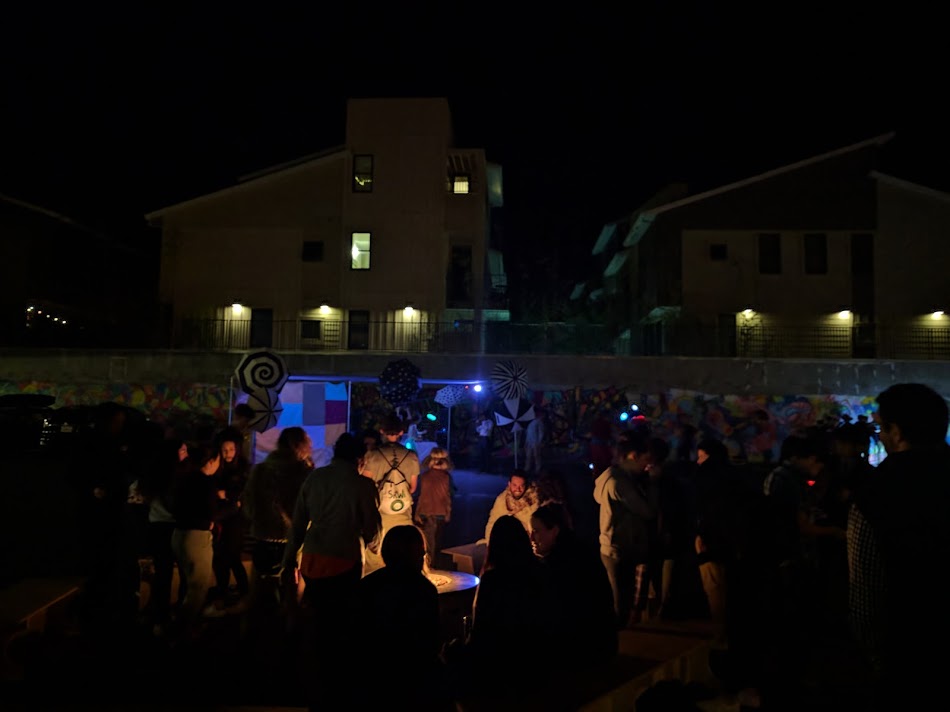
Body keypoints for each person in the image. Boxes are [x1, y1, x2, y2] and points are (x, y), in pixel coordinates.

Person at [848, 383, 950, 710]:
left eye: (881, 427)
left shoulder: (874, 492)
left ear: (897, 432)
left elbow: (866, 593)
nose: (879, 435)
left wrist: (873, 660)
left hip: (907, 648)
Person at [281, 432, 381, 710]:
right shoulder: (363, 485)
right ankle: (334, 687)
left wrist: (289, 561)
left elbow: (298, 524)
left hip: (312, 559)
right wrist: (374, 544)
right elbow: (372, 530)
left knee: (316, 619)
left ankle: (306, 680)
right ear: (360, 459)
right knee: (340, 625)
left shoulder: (315, 478)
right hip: (344, 560)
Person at [593, 432, 657, 628]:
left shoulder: (610, 476)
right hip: (619, 546)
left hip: (612, 544)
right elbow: (647, 511)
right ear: (633, 456)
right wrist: (654, 482)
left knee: (618, 598)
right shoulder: (620, 482)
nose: (647, 465)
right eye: (645, 460)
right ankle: (619, 636)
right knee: (620, 601)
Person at [360, 413, 420, 574]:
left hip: (378, 514)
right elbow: (413, 488)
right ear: (401, 432)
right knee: (403, 554)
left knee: (376, 558)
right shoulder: (411, 456)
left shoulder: (373, 455)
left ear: (382, 431)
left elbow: (365, 485)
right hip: (402, 513)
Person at [414, 447, 456, 569]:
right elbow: (449, 496)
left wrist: (417, 512)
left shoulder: (424, 476)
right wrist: (448, 512)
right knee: (437, 542)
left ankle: (427, 565)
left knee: (427, 542)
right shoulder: (447, 477)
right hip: (440, 513)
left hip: (424, 512)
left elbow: (419, 495)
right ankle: (432, 565)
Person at [478, 469, 538, 546]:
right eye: (514, 485)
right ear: (509, 484)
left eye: (521, 486)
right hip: (504, 543)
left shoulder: (533, 501)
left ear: (526, 485)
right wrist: (491, 544)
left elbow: (536, 529)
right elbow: (492, 523)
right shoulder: (502, 501)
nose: (518, 489)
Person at [524, 410, 546, 475]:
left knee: (536, 455)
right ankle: (527, 468)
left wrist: (539, 442)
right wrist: (526, 442)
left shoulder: (539, 422)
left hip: (535, 442)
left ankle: (538, 468)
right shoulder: (530, 423)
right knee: (528, 456)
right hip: (529, 442)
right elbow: (528, 433)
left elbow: (541, 433)